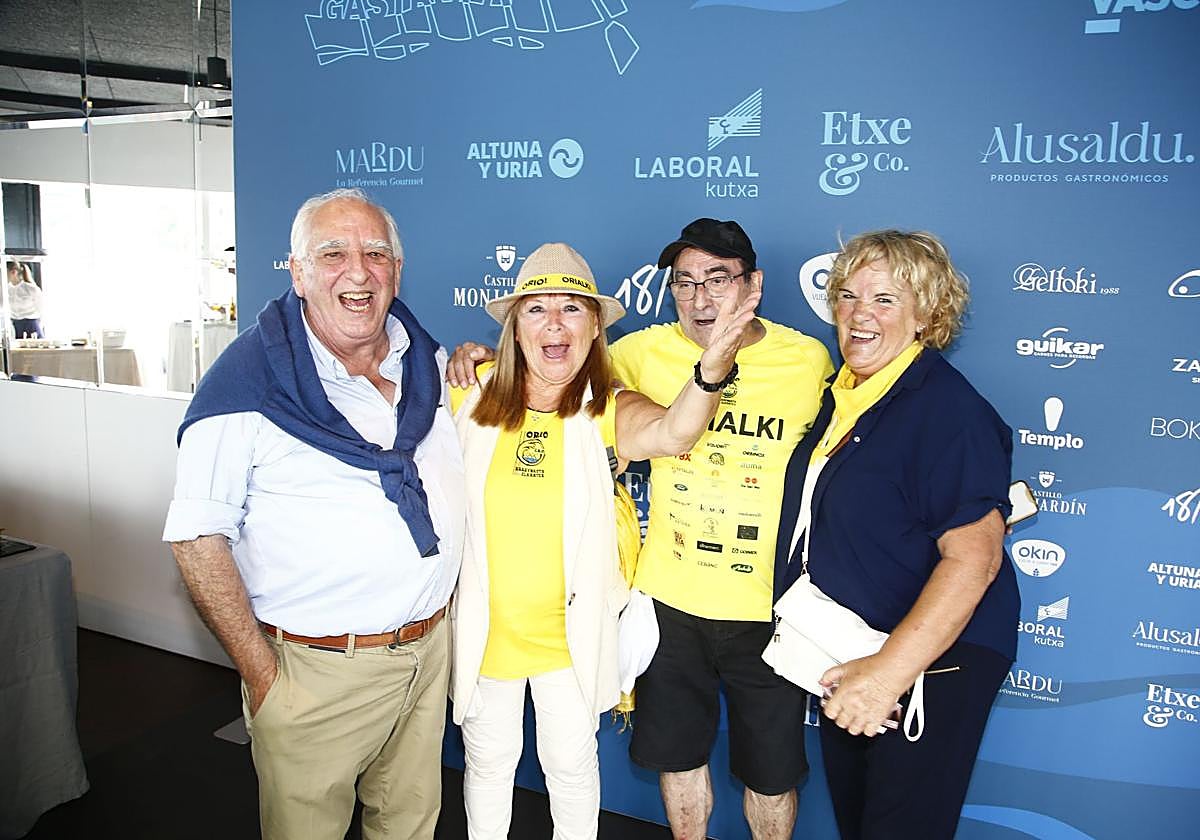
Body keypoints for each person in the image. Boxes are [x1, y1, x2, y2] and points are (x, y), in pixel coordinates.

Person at [448, 219, 833, 840]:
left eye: (571, 309)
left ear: (595, 326)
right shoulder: (469, 396)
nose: (554, 324)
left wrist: (711, 369)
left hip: (611, 627)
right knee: (490, 766)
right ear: (513, 323)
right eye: (536, 309)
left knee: (577, 770)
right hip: (517, 624)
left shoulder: (610, 403)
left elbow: (675, 430)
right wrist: (477, 358)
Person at [162, 188, 464, 840]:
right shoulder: (244, 386)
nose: (358, 271)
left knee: (411, 827)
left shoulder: (429, 363)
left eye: (375, 253)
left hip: (427, 654)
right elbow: (194, 538)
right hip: (314, 677)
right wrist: (267, 681)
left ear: (397, 270)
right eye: (332, 254)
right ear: (297, 273)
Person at [774, 230, 1020, 840]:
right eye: (850, 296)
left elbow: (975, 559)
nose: (860, 314)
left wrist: (888, 673)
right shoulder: (850, 392)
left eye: (885, 299)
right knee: (862, 821)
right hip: (850, 643)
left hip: (932, 655)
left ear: (925, 315)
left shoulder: (946, 410)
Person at [7, 260, 44, 338]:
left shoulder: (31, 288)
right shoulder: (6, 289)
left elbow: (41, 308)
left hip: (31, 324)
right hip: (15, 325)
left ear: (13, 272)